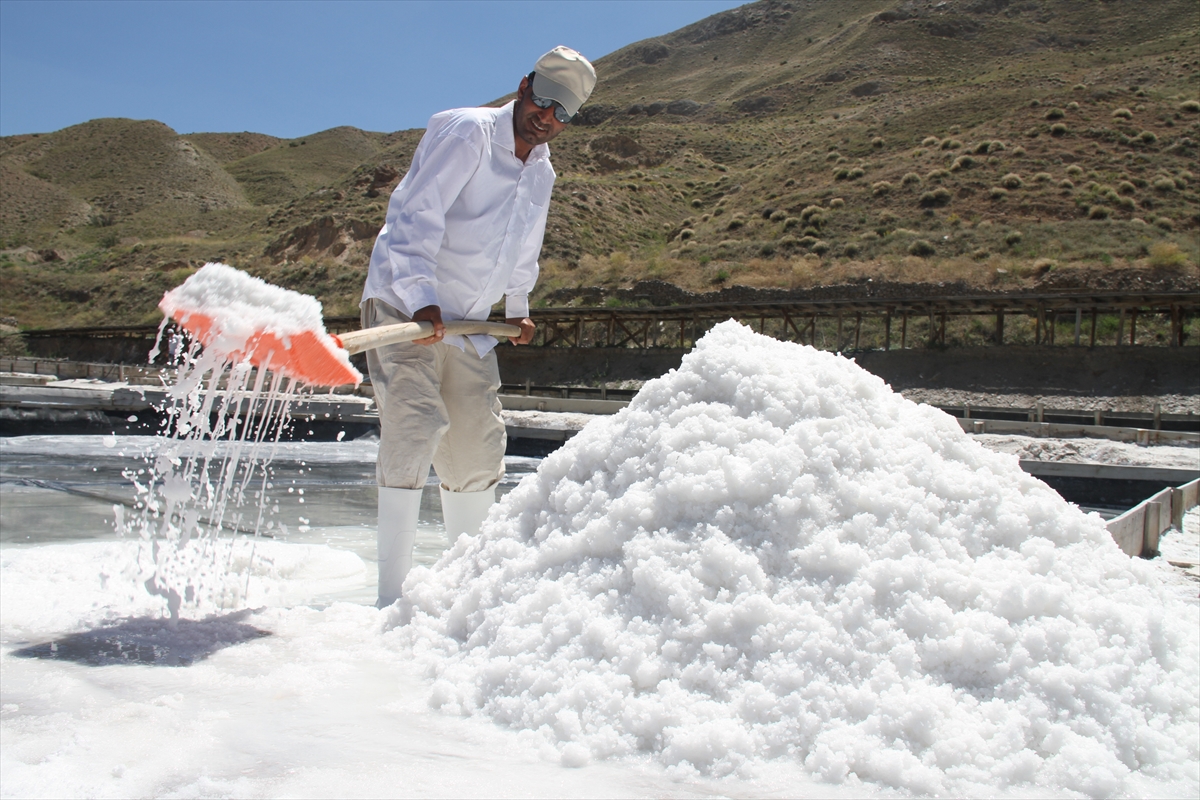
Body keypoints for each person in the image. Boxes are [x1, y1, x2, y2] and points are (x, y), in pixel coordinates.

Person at [360, 46, 597, 607]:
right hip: (405, 305)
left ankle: (465, 595)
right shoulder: (469, 134)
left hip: (469, 322)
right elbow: (416, 213)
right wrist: (420, 298)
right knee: (414, 428)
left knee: (475, 448)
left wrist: (517, 307)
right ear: (523, 86)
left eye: (561, 112)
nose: (547, 117)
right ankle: (391, 597)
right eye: (542, 101)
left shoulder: (541, 170)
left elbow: (523, 245)